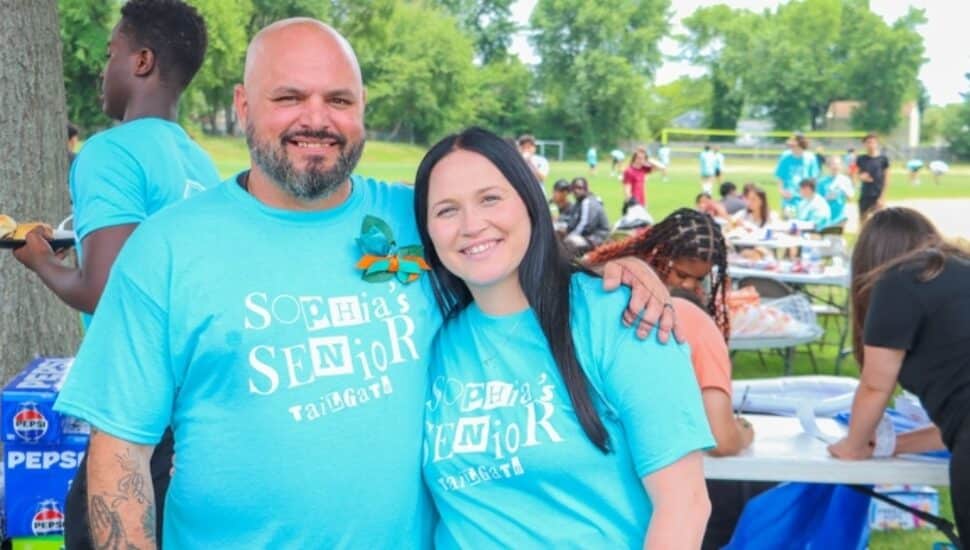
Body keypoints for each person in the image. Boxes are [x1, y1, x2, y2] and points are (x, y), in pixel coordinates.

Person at [54, 19, 677, 548]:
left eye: (339, 101)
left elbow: (517, 255)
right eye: (289, 97)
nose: (316, 119)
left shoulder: (423, 217)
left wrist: (614, 273)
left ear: (362, 110)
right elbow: (121, 449)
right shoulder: (167, 247)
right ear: (243, 106)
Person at [415, 127, 714, 549]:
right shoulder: (430, 341)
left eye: (490, 198)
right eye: (446, 210)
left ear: (529, 202)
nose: (471, 225)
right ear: (426, 230)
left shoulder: (621, 315)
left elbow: (685, 505)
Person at [13, 2, 217, 547]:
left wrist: (39, 261)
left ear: (142, 61)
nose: (104, 69)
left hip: (135, 419)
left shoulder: (107, 153)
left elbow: (103, 290)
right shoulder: (201, 163)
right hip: (194, 410)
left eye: (111, 55)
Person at [828, 207, 970, 548]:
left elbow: (876, 385)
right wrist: (897, 444)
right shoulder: (959, 272)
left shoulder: (900, 280)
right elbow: (959, 414)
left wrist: (853, 445)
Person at [563, 176, 610, 255]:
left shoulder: (587, 202)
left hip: (597, 237)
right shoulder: (579, 202)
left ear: (586, 189)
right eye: (574, 188)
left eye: (580, 188)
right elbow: (572, 220)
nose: (576, 191)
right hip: (588, 236)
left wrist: (569, 235)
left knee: (569, 242)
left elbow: (585, 225)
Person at [774, 133, 819, 214]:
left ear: (800, 144)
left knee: (804, 224)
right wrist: (781, 191)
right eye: (790, 145)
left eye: (793, 144)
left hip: (805, 197)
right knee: (788, 223)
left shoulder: (810, 158)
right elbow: (780, 176)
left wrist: (812, 195)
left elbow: (813, 179)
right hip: (789, 197)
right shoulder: (785, 156)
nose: (791, 146)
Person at [854, 133, 890, 220]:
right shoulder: (861, 159)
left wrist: (882, 197)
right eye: (868, 142)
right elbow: (855, 173)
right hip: (865, 193)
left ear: (877, 143)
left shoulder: (883, 159)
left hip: (877, 194)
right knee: (863, 219)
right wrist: (860, 177)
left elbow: (887, 179)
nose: (871, 145)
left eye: (873, 142)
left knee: (880, 221)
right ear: (864, 144)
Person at [816, 156, 854, 226]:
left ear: (841, 166)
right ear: (828, 166)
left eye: (837, 164)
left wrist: (844, 189)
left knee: (837, 236)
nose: (835, 166)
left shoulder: (845, 180)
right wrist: (827, 198)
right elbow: (817, 201)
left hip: (840, 217)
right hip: (825, 216)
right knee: (825, 236)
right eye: (833, 164)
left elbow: (850, 198)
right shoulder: (822, 182)